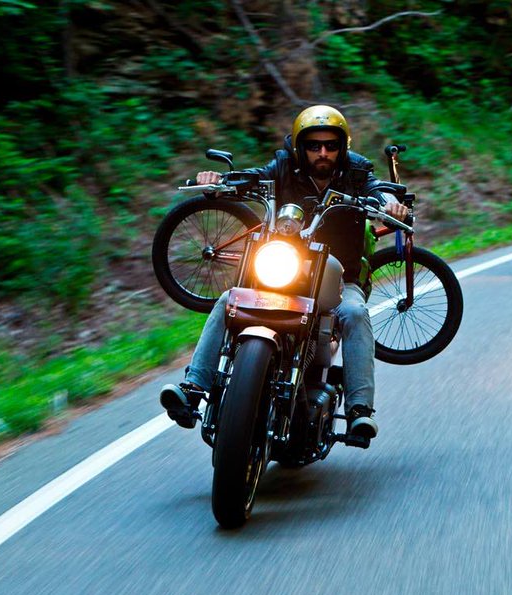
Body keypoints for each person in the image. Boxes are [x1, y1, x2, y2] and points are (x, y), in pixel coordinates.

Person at [159, 105, 408, 444]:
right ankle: (194, 388)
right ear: (299, 146)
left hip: (338, 276)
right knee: (229, 300)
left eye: (331, 145)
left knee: (355, 313)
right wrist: (217, 181)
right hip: (283, 271)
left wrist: (390, 203)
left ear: (342, 147)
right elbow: (250, 176)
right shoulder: (283, 167)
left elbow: (379, 190)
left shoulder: (356, 171)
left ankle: (359, 411)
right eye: (313, 145)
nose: (322, 153)